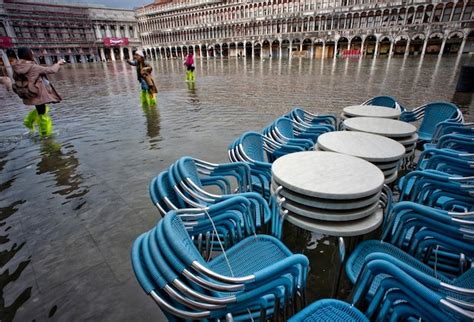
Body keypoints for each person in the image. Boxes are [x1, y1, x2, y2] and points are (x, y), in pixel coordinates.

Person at [12, 47, 64, 137]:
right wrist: (58, 63)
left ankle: (29, 122)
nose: (32, 53)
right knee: (42, 113)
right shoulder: (33, 67)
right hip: (37, 93)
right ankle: (45, 134)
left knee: (40, 110)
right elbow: (52, 70)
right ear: (28, 54)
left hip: (26, 92)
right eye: (31, 52)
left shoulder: (16, 66)